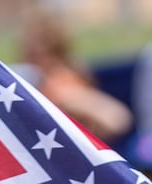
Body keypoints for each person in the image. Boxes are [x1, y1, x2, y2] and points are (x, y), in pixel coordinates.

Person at [15, 8, 132, 143]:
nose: (27, 53)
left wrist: (68, 103)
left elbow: (115, 117)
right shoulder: (36, 78)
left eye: (33, 49)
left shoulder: (60, 82)